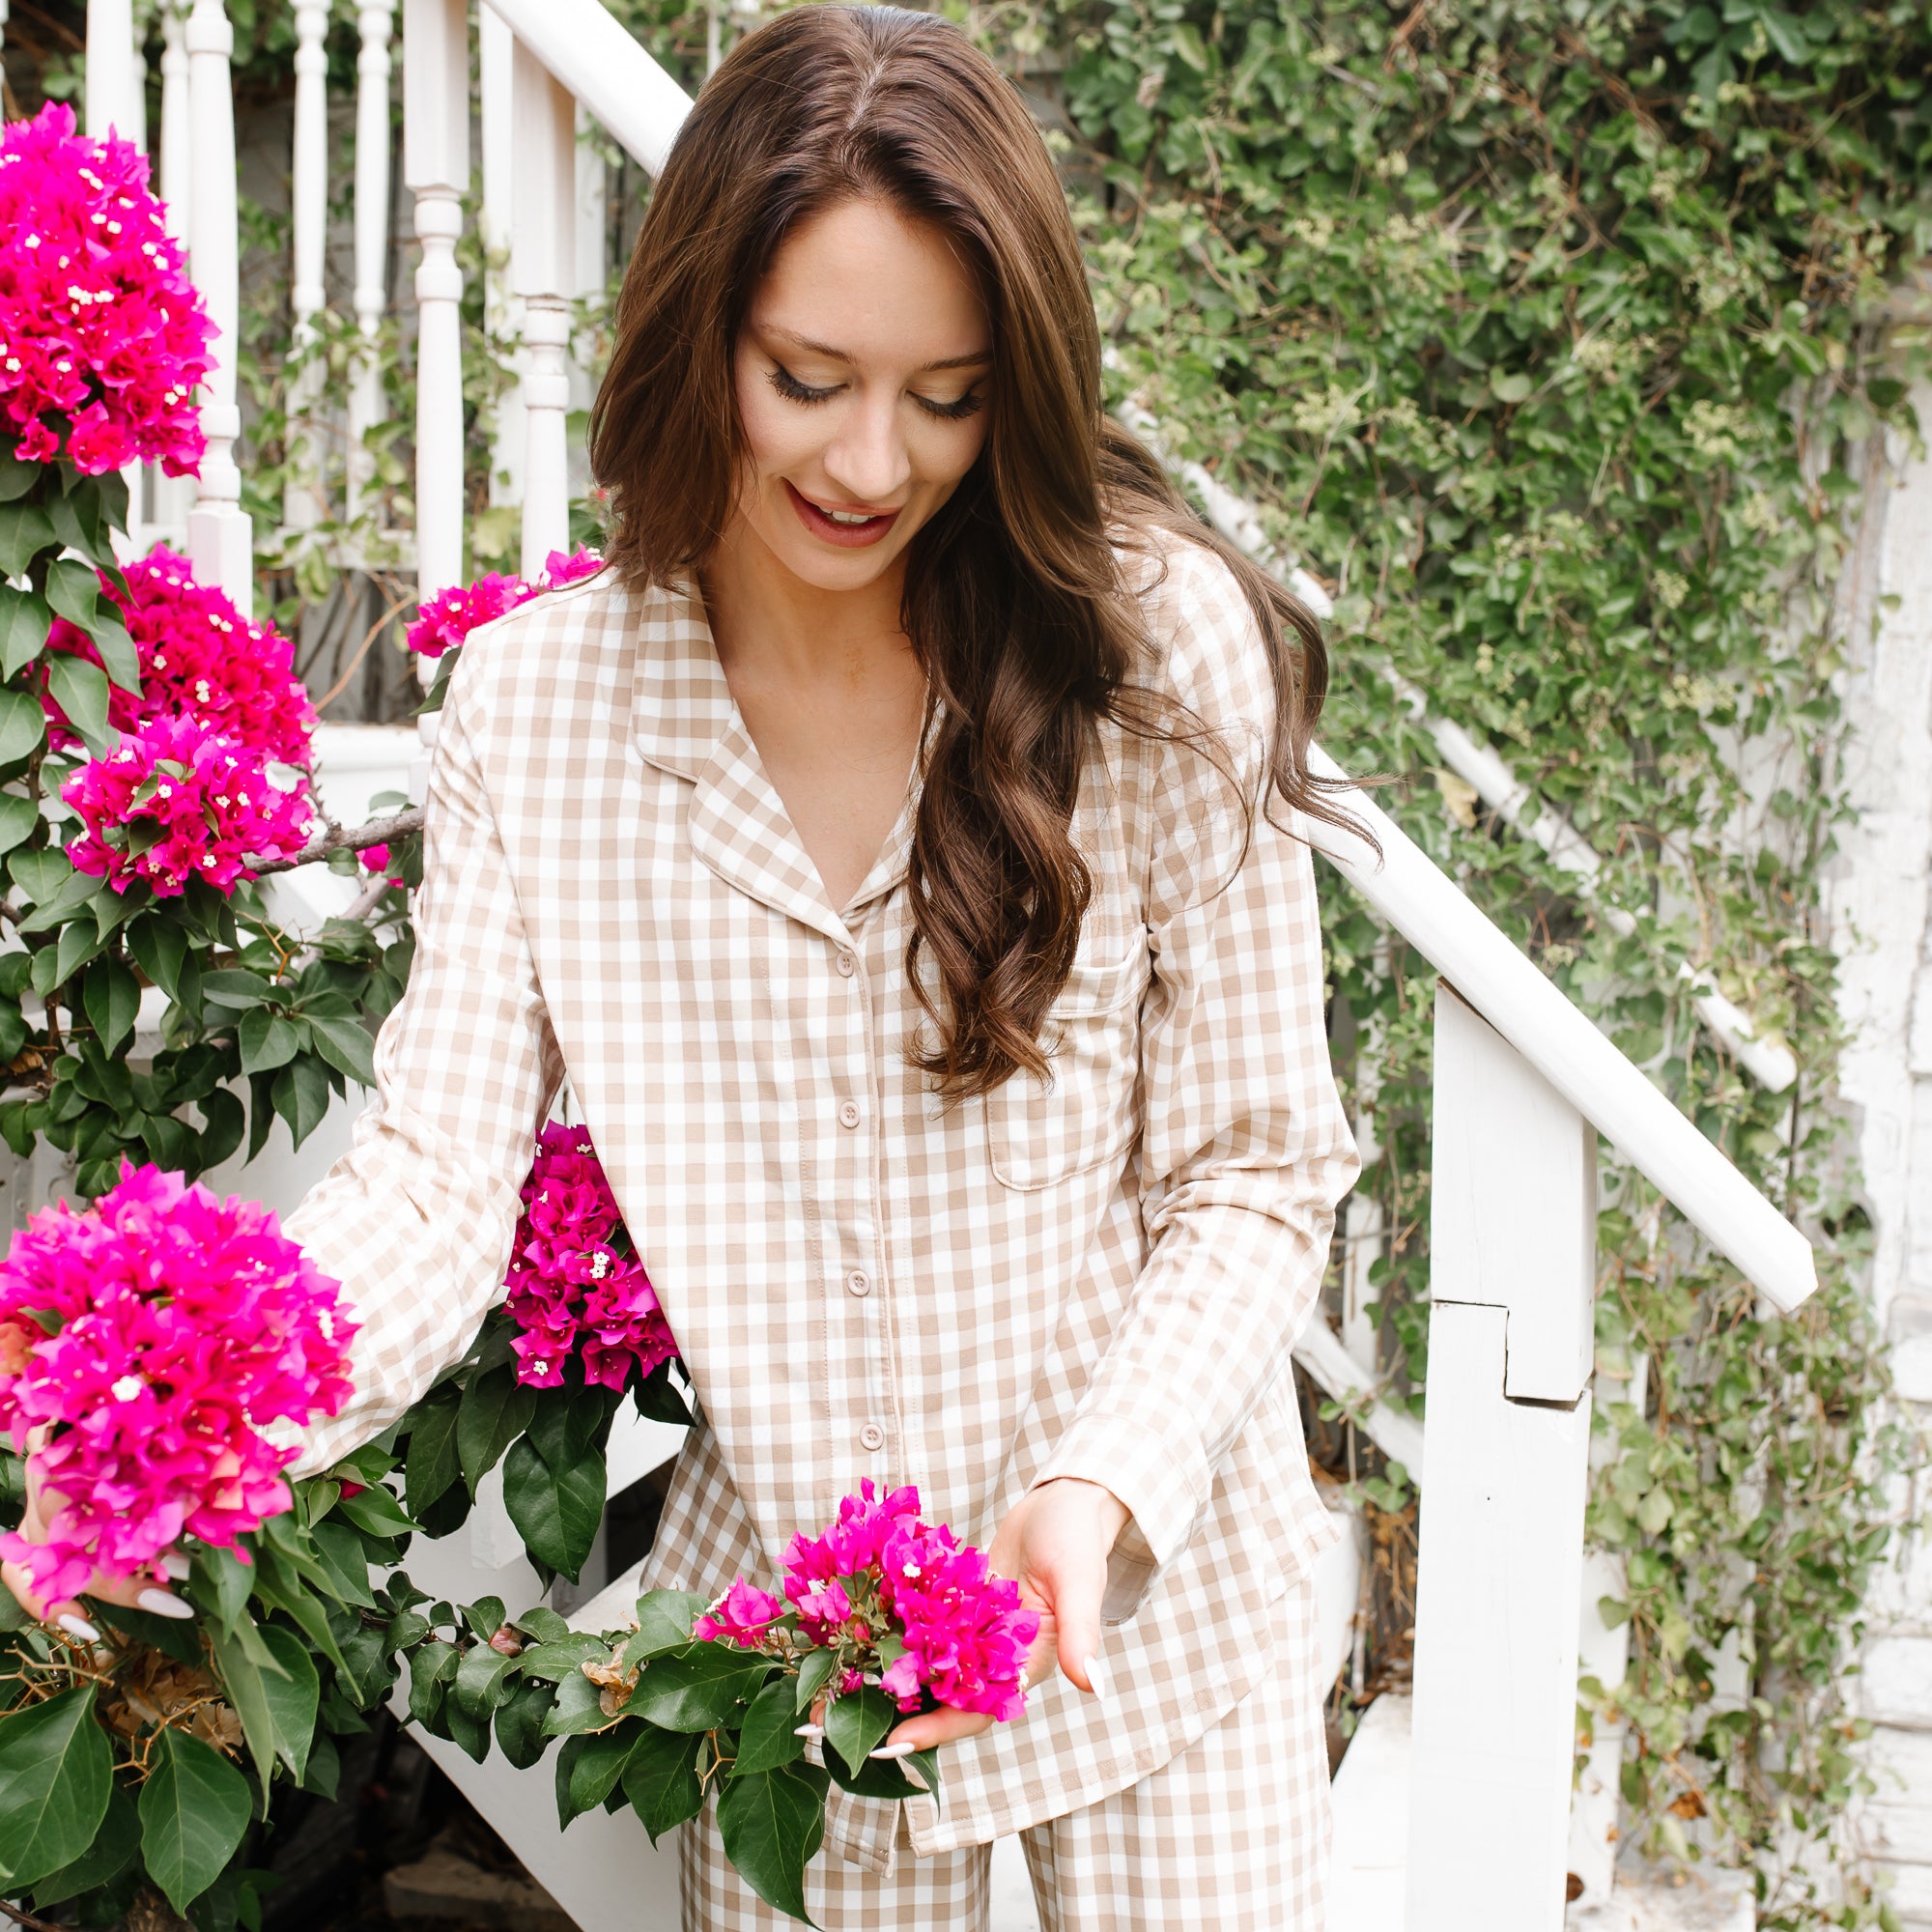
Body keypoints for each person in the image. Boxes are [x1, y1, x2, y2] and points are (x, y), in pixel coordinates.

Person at [10, 8, 1358, 1926]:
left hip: (1153, 1655)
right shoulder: (539, 711)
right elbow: (426, 1186)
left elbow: (1249, 1168)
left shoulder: (1149, 658)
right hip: (799, 1695)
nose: (873, 460)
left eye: (949, 396)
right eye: (808, 376)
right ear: (699, 330)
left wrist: (1104, 1480)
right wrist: (210, 1417)